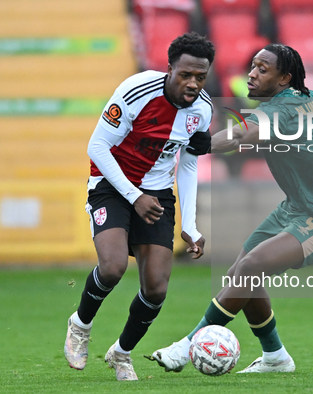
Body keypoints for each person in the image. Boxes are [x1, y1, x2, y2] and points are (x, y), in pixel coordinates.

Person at [148, 44, 313, 373]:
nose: (252, 73)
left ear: (284, 79)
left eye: (263, 69)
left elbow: (238, 137)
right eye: (252, 66)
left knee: (249, 269)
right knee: (242, 274)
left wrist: (198, 142)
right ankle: (275, 357)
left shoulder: (280, 108)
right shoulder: (311, 100)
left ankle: (186, 344)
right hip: (296, 209)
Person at [63, 32, 215, 381]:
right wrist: (134, 196)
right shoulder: (136, 91)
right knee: (113, 266)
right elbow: (97, 146)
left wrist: (190, 224)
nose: (193, 83)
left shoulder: (202, 110)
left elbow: (189, 165)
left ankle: (122, 353)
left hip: (158, 193)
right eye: (185, 75)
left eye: (201, 77)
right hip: (112, 185)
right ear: (170, 68)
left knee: (157, 287)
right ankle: (81, 325)